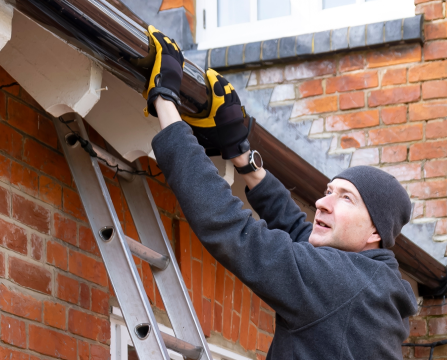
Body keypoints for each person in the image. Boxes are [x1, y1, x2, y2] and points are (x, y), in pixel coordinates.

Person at [143, 26, 417, 359]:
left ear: (375, 230)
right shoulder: (372, 282)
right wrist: (243, 158)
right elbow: (299, 231)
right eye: (329, 191)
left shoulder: (341, 282)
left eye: (346, 198)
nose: (322, 202)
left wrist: (166, 102)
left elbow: (234, 230)